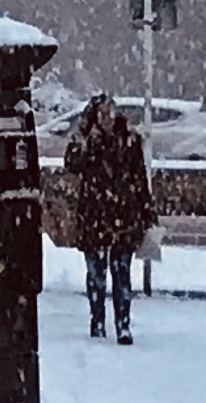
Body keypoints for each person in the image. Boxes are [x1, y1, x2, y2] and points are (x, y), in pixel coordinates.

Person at [59, 94, 153, 345]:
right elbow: (71, 165)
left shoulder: (129, 140)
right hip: (94, 214)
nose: (107, 119)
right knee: (96, 274)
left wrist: (146, 210)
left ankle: (123, 325)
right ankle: (97, 321)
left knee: (121, 273)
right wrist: (88, 145)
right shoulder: (85, 139)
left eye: (109, 112)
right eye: (101, 114)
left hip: (123, 214)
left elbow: (139, 177)